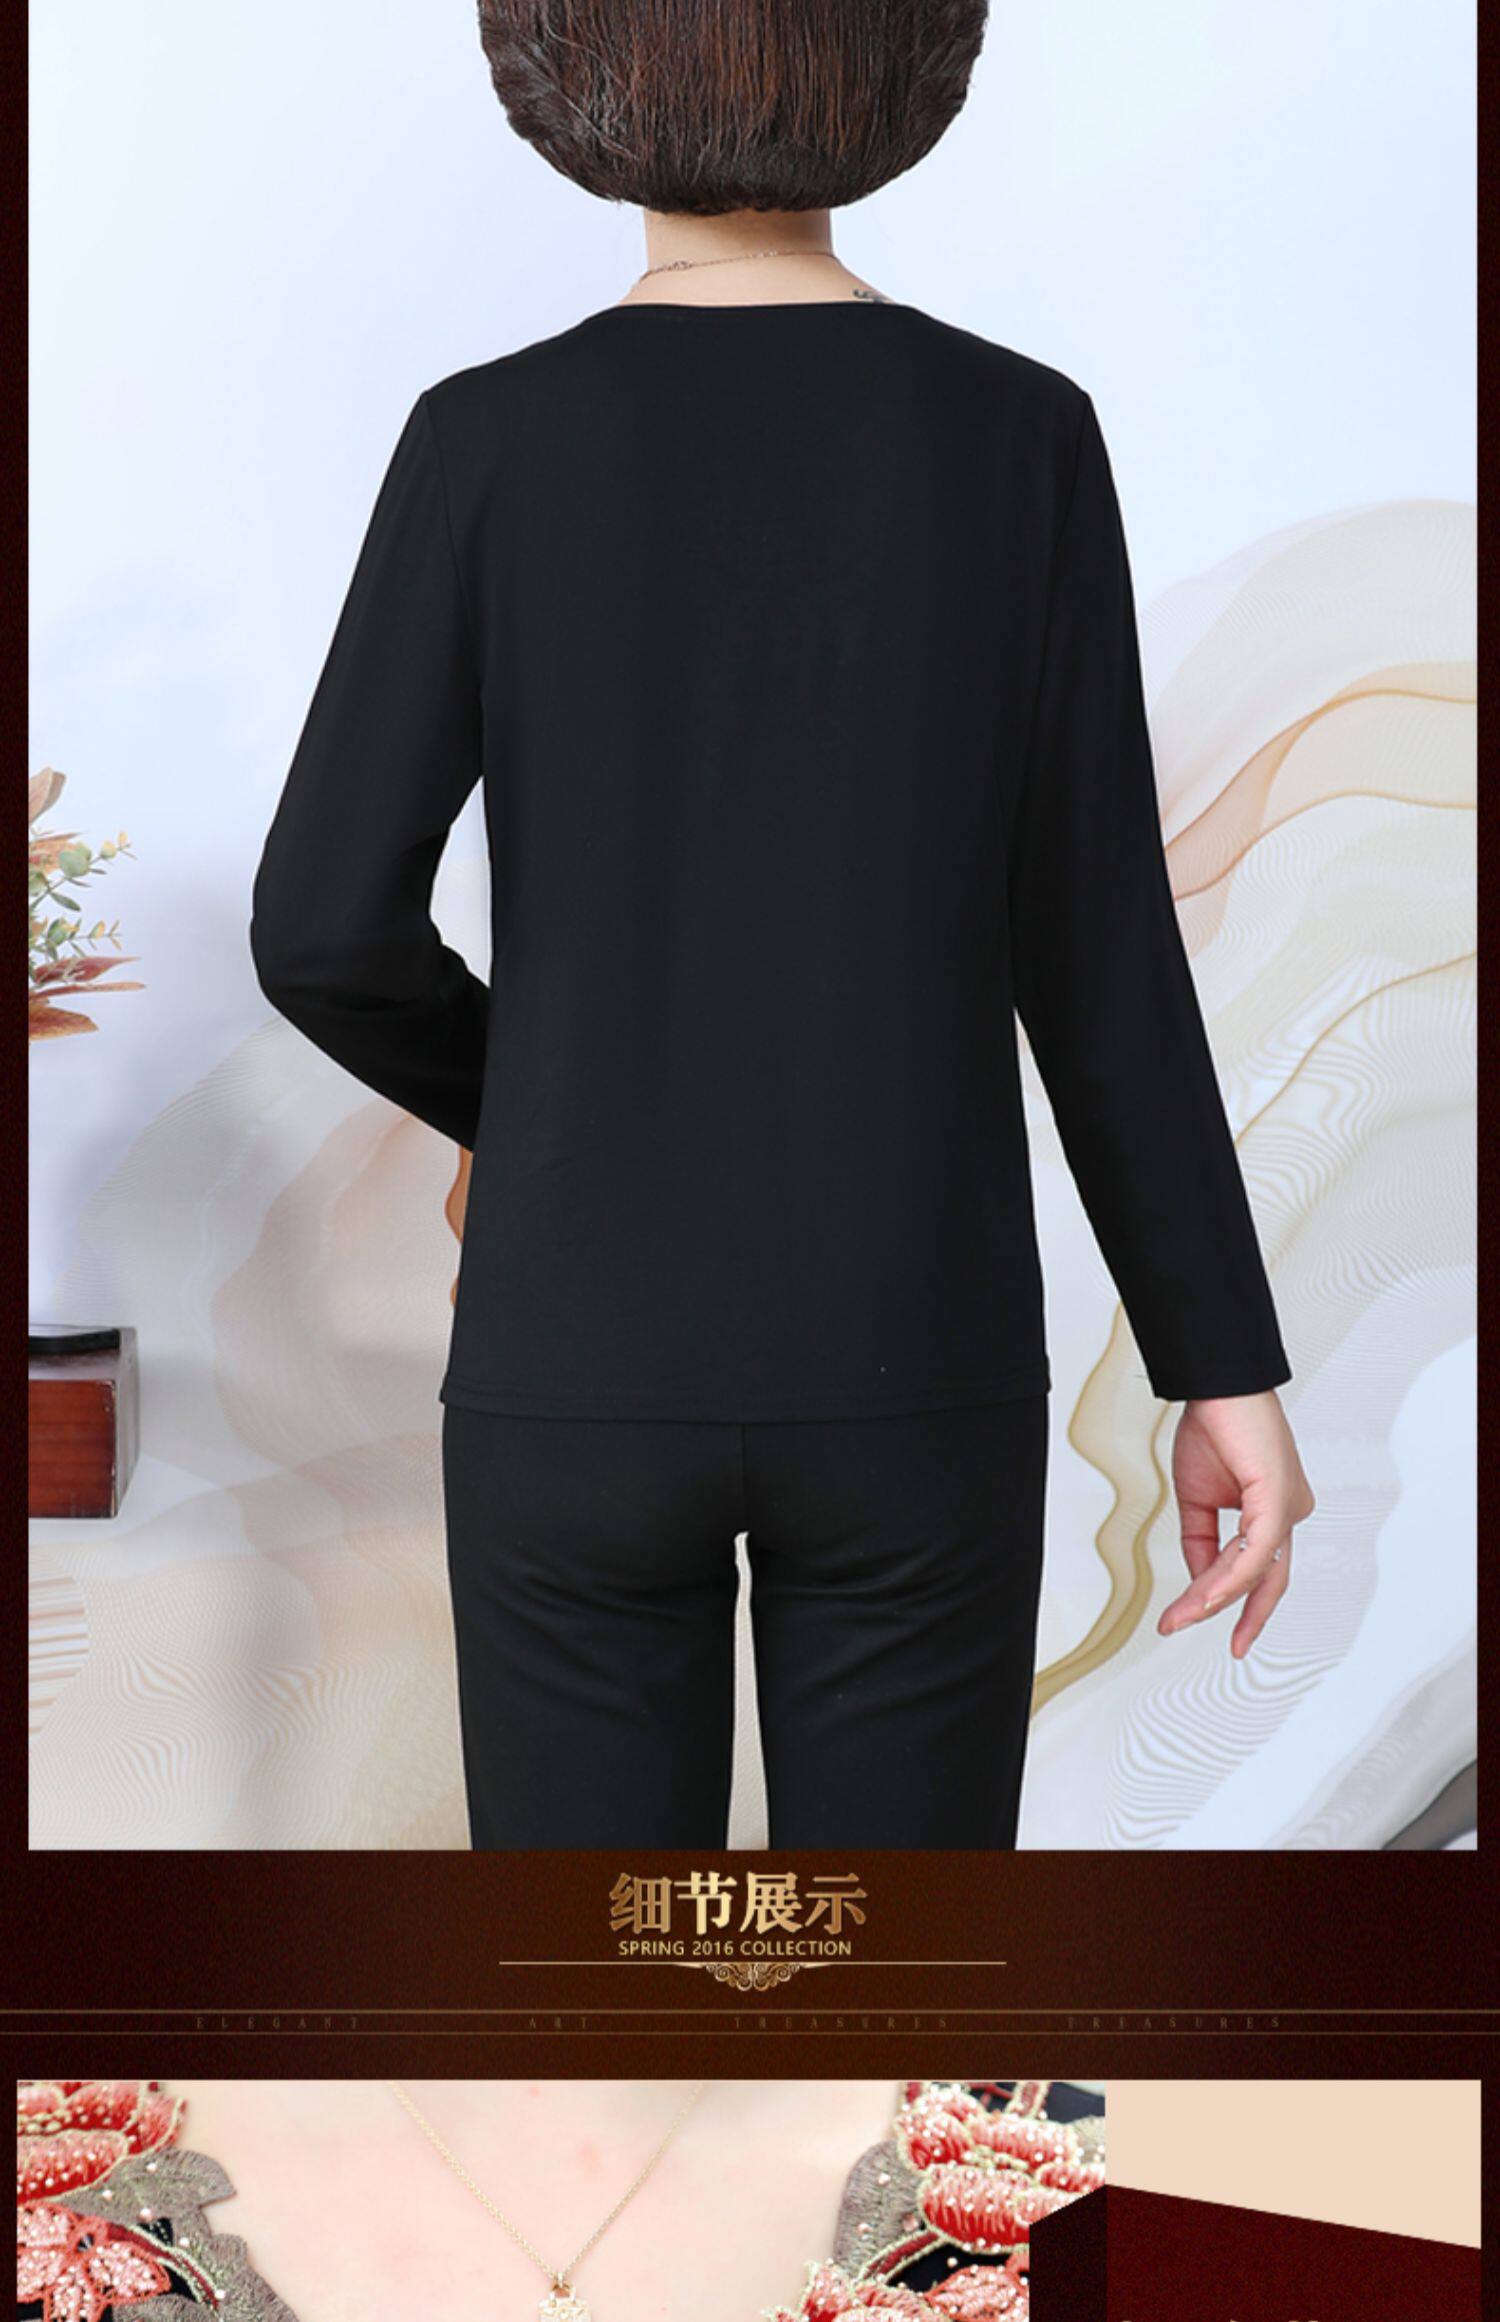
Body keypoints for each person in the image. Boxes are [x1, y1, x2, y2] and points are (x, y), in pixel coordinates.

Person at [250, 0, 1314, 1850]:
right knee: (902, 1984)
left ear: (566, 62)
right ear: (902, 55)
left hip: (576, 1364)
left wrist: (540, 1110)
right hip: (915, 1358)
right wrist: (1218, 1360)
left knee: (587, 1986)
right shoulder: (1020, 438)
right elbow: (1098, 960)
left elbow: (322, 927)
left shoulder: (485, 440)